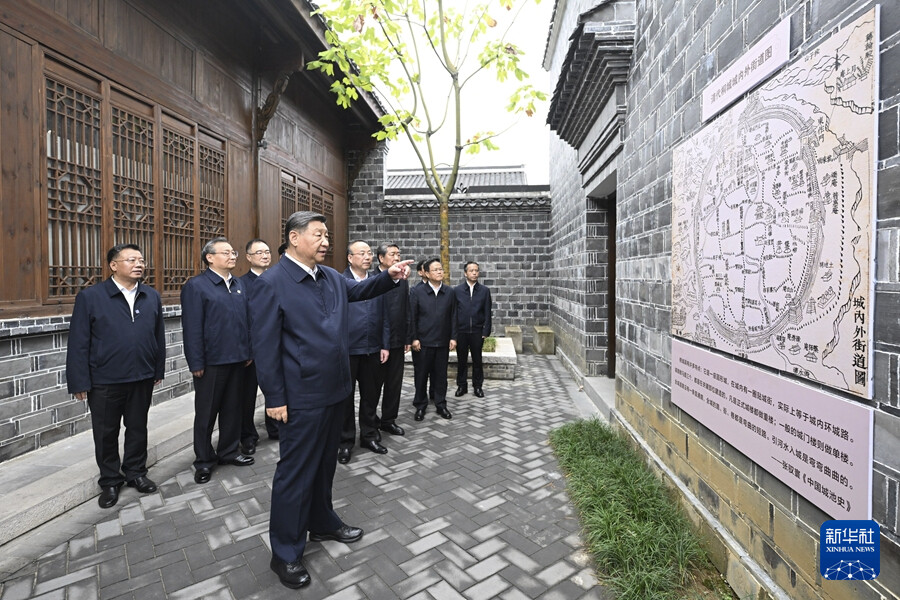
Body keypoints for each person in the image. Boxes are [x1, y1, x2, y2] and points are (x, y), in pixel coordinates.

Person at [249, 211, 412, 589]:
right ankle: (285, 553)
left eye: (327, 235)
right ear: (293, 238)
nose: (326, 242)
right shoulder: (272, 283)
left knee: (324, 466)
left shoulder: (331, 278)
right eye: (318, 235)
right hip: (300, 396)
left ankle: (321, 523)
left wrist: (388, 277)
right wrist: (274, 397)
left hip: (336, 390)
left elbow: (359, 291)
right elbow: (265, 345)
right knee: (295, 473)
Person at [66, 243, 165, 508]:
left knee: (137, 427)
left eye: (141, 260)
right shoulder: (92, 297)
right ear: (113, 265)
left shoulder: (151, 296)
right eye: (131, 259)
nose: (139, 264)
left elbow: (159, 336)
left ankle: (136, 473)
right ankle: (110, 481)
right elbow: (78, 342)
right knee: (106, 432)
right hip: (105, 379)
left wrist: (157, 369)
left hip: (141, 376)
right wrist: (79, 381)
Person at [181, 237, 255, 485]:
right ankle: (203, 460)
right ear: (209, 257)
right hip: (211, 362)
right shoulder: (197, 286)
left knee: (233, 409)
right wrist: (196, 362)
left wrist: (247, 352)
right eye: (226, 252)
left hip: (237, 359)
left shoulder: (238, 285)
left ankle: (229, 451)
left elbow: (246, 322)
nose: (232, 256)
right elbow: (191, 328)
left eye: (233, 252)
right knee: (206, 413)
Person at [338, 240, 391, 463]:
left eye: (369, 253)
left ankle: (369, 435)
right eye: (362, 253)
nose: (368, 257)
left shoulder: (378, 282)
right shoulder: (340, 282)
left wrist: (385, 344)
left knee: (371, 395)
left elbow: (385, 316)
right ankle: (345, 441)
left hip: (373, 348)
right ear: (350, 258)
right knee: (345, 397)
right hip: (348, 350)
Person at [240, 238, 278, 447]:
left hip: (276, 348)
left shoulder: (277, 279)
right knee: (247, 396)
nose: (265, 255)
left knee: (276, 389)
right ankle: (247, 435)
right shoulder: (241, 284)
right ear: (248, 257)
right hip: (252, 350)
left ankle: (275, 427)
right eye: (259, 252)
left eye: (267, 251)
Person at [408, 258, 457, 421]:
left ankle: (441, 404)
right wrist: (413, 338)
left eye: (441, 269)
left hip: (442, 341)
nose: (439, 272)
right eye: (435, 270)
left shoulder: (449, 292)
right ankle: (420, 406)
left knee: (441, 375)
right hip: (423, 342)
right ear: (426, 273)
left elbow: (454, 316)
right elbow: (412, 317)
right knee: (421, 375)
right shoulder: (417, 292)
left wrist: (453, 337)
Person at [374, 242, 408, 439]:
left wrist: (407, 337)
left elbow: (406, 309)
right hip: (377, 343)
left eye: (398, 254)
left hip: (397, 340)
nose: (397, 257)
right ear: (381, 258)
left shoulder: (403, 280)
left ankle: (389, 420)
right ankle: (371, 421)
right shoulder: (372, 279)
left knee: (394, 384)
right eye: (393, 254)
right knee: (374, 386)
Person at [454, 261, 492, 398]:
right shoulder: (457, 291)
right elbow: (454, 313)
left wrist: (485, 331)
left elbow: (488, 312)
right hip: (461, 332)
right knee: (461, 360)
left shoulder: (484, 291)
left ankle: (478, 386)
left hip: (477, 332)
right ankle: (461, 386)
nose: (474, 273)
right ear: (465, 273)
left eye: (476, 270)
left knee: (477, 360)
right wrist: (454, 332)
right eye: (471, 270)